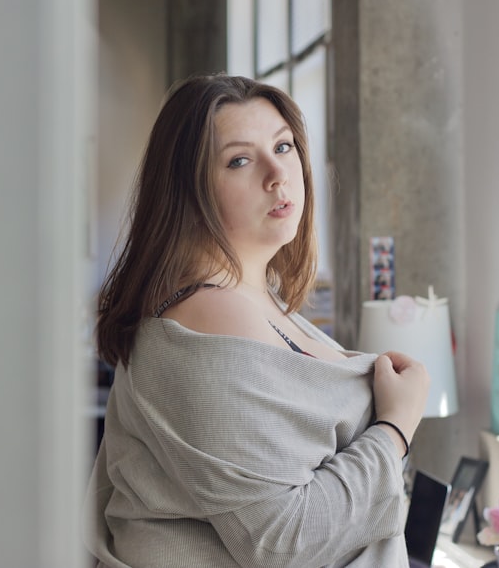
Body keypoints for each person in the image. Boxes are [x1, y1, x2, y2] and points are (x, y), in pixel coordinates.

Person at [84, 74, 431, 567]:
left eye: (284, 146)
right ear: (189, 190)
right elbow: (281, 542)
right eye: (239, 160)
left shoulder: (254, 298)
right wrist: (396, 429)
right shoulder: (210, 314)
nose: (277, 174)